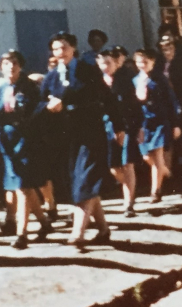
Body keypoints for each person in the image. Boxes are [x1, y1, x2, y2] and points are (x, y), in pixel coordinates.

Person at [39, 31, 123, 246]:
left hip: (90, 132)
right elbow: (40, 103)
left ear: (73, 48)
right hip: (67, 136)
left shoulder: (87, 70)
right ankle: (103, 229)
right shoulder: (51, 76)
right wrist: (49, 108)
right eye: (56, 49)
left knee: (84, 181)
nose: (60, 53)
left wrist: (118, 125)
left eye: (64, 47)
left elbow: (107, 97)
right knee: (80, 182)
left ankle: (78, 233)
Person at [0, 50, 54, 249]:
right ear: (1, 67)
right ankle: (44, 223)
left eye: (14, 63)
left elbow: (39, 111)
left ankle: (21, 234)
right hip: (6, 142)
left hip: (26, 140)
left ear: (20, 65)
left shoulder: (29, 87)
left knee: (22, 186)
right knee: (22, 186)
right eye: (6, 63)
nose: (10, 67)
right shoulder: (0, 89)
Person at [98, 46, 143, 217]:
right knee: (113, 167)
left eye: (109, 63)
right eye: (102, 64)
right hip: (107, 128)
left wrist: (139, 127)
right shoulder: (97, 84)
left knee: (127, 164)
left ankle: (129, 203)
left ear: (115, 64)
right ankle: (129, 188)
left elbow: (135, 105)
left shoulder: (124, 81)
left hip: (127, 127)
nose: (106, 67)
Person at [133, 48, 180, 203]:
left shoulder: (160, 79)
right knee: (146, 156)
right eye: (139, 62)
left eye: (146, 62)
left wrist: (175, 124)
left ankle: (156, 191)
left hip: (159, 121)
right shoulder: (134, 81)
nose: (142, 65)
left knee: (158, 156)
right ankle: (165, 171)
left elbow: (171, 101)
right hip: (143, 123)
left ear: (152, 62)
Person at [158, 35, 182, 179]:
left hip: (180, 103)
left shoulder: (180, 64)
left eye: (169, 48)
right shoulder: (159, 64)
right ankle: (171, 172)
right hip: (166, 106)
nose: (167, 51)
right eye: (163, 48)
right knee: (170, 140)